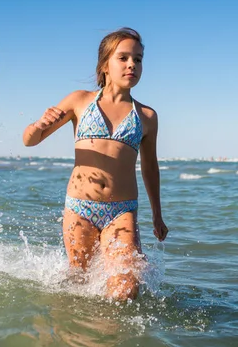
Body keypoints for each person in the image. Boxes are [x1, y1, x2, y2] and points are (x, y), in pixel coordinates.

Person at [22, 28, 168, 300]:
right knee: (79, 282)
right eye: (123, 58)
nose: (131, 65)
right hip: (80, 208)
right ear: (105, 65)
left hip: (121, 211)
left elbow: (150, 167)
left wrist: (157, 215)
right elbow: (30, 141)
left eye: (138, 59)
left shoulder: (147, 116)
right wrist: (37, 125)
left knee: (126, 290)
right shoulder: (80, 101)